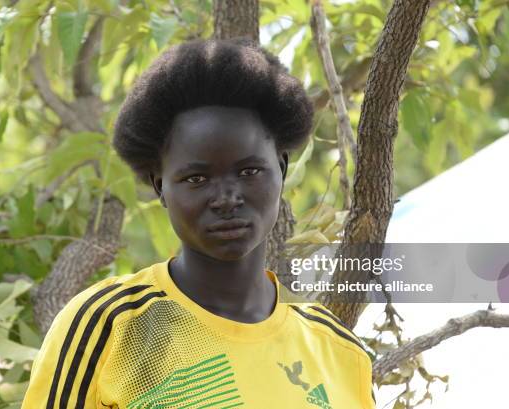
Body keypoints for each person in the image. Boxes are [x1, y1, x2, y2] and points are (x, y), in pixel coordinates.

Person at [21, 38, 374, 409]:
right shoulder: (109, 325)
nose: (226, 198)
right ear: (160, 186)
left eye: (249, 170)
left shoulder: (339, 350)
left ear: (282, 170)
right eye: (196, 179)